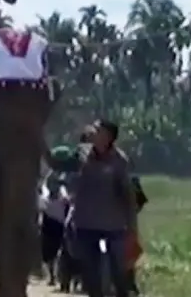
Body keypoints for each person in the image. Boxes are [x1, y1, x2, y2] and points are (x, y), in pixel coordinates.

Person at [71, 119, 137, 297]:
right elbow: (59, 165)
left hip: (113, 225)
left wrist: (132, 227)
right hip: (85, 223)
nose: (92, 131)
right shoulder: (81, 154)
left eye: (97, 129)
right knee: (90, 274)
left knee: (119, 272)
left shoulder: (120, 161)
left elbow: (128, 195)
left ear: (107, 137)